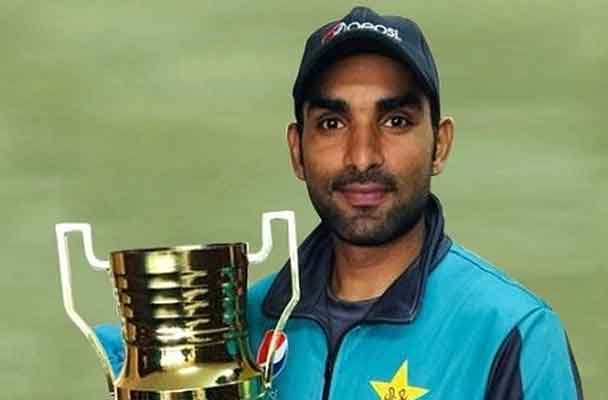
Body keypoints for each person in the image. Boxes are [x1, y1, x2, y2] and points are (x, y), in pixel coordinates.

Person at [97, 6, 583, 399]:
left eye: (395, 121)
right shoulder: (234, 331)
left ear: (440, 144)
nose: (363, 156)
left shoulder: (510, 333)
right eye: (332, 123)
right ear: (297, 150)